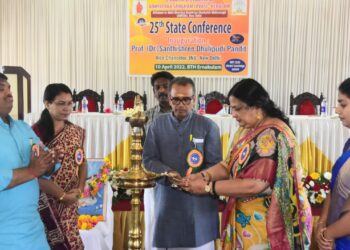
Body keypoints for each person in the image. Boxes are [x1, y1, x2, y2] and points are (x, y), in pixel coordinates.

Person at [184, 78, 312, 249]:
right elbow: (227, 164)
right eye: (231, 109)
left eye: (237, 109)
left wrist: (208, 187)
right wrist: (201, 175)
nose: (233, 114)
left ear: (257, 107)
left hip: (267, 224)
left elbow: (256, 185)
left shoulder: (272, 134)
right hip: (246, 220)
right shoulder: (246, 129)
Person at [143, 77, 222, 249]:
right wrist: (168, 173)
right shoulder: (156, 125)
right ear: (169, 100)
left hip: (199, 199)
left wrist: (198, 178)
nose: (181, 104)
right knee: (168, 241)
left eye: (186, 99)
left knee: (199, 243)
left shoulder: (209, 127)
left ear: (194, 100)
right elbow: (148, 159)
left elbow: (217, 165)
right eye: (176, 99)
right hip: (167, 197)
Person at [0, 73, 59, 249]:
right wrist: (32, 171)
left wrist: (49, 162)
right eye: (1, 89)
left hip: (34, 231)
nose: (9, 93)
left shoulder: (23, 128)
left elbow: (43, 157)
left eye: (9, 88)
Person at [32, 83, 87, 250]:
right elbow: (34, 175)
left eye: (70, 103)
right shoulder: (35, 134)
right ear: (47, 104)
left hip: (71, 202)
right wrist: (62, 195)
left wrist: (79, 189)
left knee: (73, 243)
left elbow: (82, 162)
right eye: (61, 103)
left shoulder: (76, 131)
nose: (67, 108)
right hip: (45, 202)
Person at [316, 78, 350, 250]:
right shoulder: (349, 144)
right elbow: (334, 187)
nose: (337, 110)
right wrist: (322, 222)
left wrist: (328, 234)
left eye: (343, 105)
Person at [144, 71, 174, 250]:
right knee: (156, 218)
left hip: (181, 179)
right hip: (156, 179)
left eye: (166, 86)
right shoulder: (145, 118)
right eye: (158, 87)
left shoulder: (188, 115)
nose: (162, 90)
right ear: (154, 91)